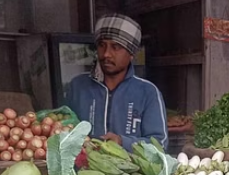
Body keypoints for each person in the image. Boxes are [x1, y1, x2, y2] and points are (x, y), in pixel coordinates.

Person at [66, 14, 168, 152]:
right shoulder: (78, 86)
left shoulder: (148, 92)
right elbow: (64, 129)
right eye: (102, 45)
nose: (107, 54)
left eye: (115, 47)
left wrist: (122, 142)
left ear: (132, 54)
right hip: (83, 171)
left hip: (129, 172)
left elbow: (159, 144)